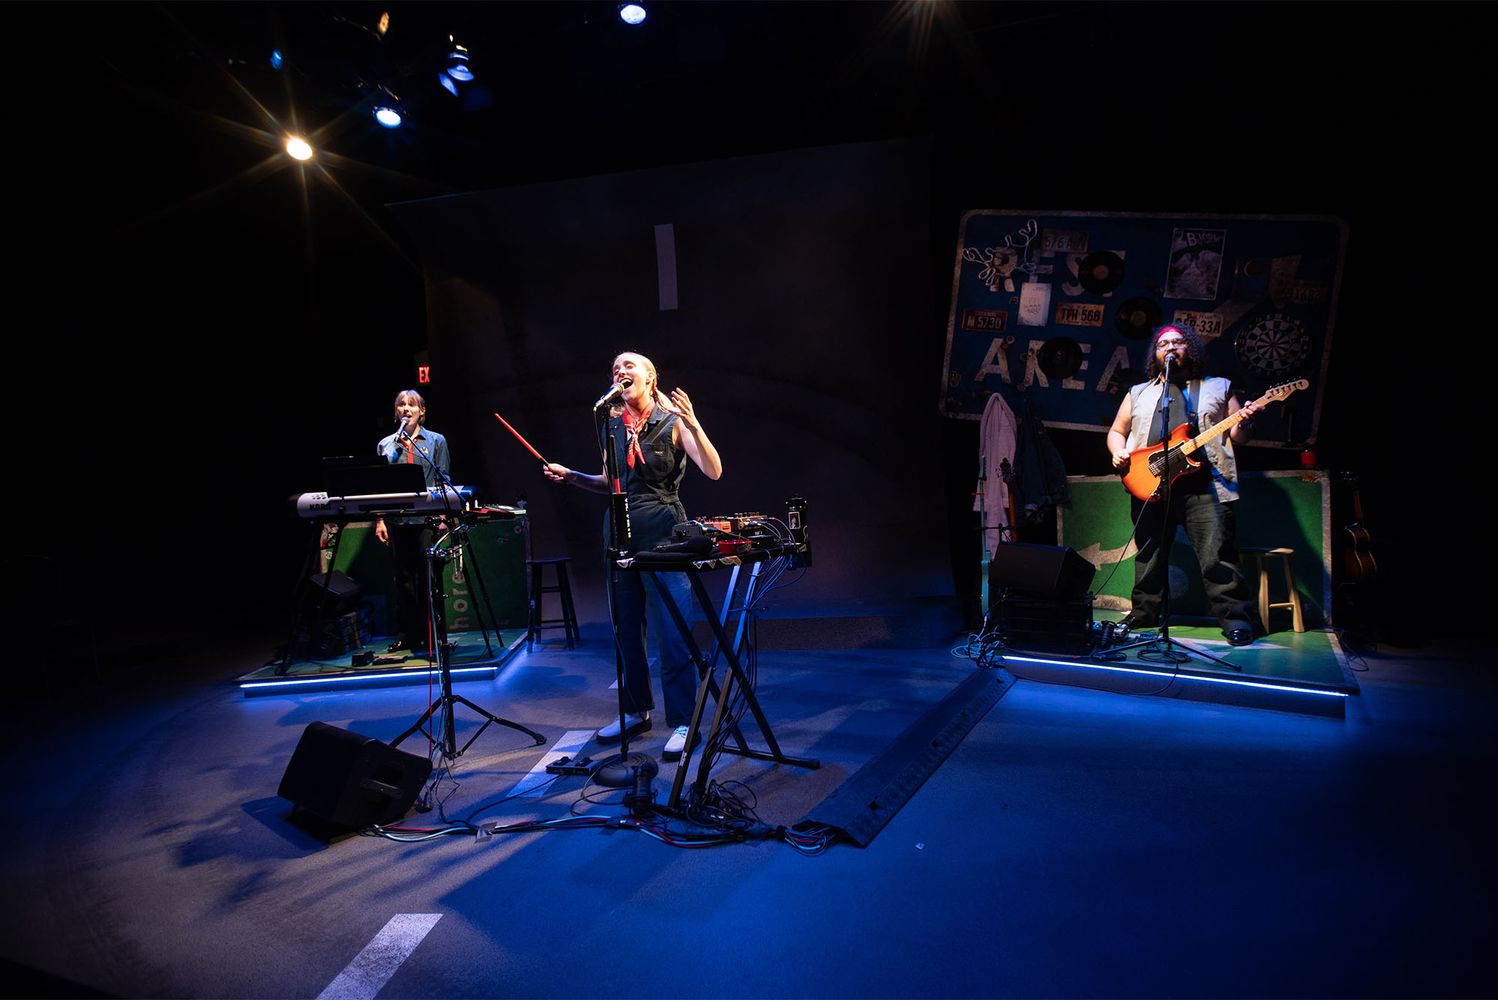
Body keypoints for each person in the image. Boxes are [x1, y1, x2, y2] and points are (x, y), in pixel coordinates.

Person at [543, 352, 723, 760]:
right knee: (626, 628)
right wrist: (572, 476)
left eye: (629, 367)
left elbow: (713, 470)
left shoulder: (672, 420)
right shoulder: (610, 423)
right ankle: (636, 710)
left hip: (662, 527)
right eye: (614, 369)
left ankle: (682, 721)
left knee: (673, 629)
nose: (620, 372)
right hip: (619, 529)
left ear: (650, 377)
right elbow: (611, 481)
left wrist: (694, 423)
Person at [1106, 325, 1262, 646]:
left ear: (1190, 348)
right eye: (1163, 343)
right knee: (1148, 552)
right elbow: (1116, 431)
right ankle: (1145, 612)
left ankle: (1236, 618)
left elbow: (1239, 437)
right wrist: (1117, 451)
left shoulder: (1219, 387)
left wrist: (1245, 422)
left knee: (1216, 553)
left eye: (1177, 341)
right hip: (1150, 481)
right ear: (1156, 353)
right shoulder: (1138, 392)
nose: (1170, 347)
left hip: (1205, 486)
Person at [374, 389, 451, 653]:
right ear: (396, 412)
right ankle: (408, 636)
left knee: (429, 579)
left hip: (427, 520)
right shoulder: (386, 444)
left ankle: (435, 637)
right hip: (398, 521)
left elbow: (443, 479)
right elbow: (381, 488)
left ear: (422, 411)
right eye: (401, 405)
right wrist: (380, 520)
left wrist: (443, 516)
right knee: (403, 581)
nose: (406, 409)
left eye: (412, 405)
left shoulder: (436, 441)